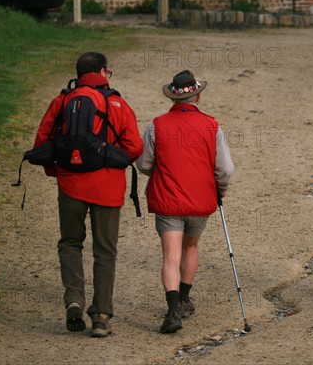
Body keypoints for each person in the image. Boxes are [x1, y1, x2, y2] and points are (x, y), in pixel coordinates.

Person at [33, 52, 143, 337]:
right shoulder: (117, 103)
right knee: (105, 251)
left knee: (70, 243)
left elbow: (43, 142)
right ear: (104, 72)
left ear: (79, 73)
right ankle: (101, 316)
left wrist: (57, 171)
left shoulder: (62, 101)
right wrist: (108, 159)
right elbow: (134, 147)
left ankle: (74, 299)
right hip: (107, 188)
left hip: (70, 185)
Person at [137, 70, 234, 334]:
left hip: (168, 199)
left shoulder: (157, 124)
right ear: (198, 96)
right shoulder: (212, 126)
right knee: (191, 246)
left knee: (171, 255)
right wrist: (221, 189)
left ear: (173, 98)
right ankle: (183, 299)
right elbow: (224, 168)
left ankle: (171, 312)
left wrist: (161, 171)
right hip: (200, 200)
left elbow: (144, 163)